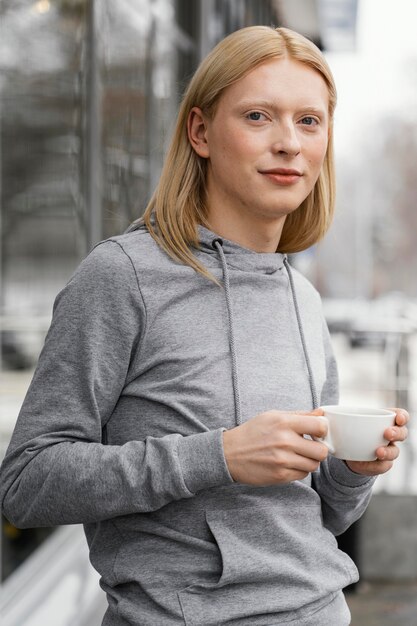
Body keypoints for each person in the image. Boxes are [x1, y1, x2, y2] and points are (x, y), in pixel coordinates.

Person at [0, 25, 409, 626]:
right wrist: (215, 456)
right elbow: (28, 482)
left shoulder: (300, 296)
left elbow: (317, 517)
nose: (289, 144)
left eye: (309, 121)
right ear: (201, 133)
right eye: (258, 116)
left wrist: (351, 471)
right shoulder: (122, 276)